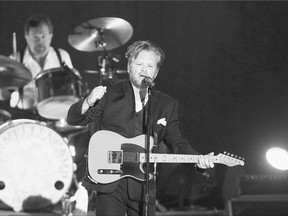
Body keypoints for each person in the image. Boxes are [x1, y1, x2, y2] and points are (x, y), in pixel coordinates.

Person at [66, 40, 215, 216]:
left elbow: (176, 140)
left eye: (150, 66)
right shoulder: (110, 92)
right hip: (110, 182)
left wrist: (197, 160)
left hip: (143, 184)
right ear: (129, 66)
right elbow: (74, 119)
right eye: (139, 64)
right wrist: (87, 102)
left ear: (156, 72)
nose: (144, 70)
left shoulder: (167, 105)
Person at [10, 14, 73, 111]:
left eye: (43, 36)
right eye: (35, 37)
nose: (40, 42)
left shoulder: (62, 56)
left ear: (50, 36)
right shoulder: (15, 60)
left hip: (56, 114)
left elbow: (71, 87)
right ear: (27, 37)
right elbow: (3, 94)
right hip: (25, 116)